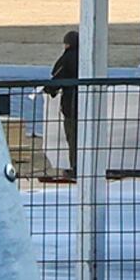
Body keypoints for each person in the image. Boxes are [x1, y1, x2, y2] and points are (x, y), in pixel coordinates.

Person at [49, 28, 82, 176]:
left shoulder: (66, 58)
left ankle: (76, 168)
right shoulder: (87, 57)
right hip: (89, 104)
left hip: (71, 105)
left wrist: (49, 90)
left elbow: (57, 78)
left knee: (73, 137)